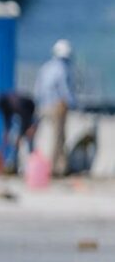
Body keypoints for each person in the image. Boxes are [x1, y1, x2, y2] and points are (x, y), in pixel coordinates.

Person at [33, 39, 77, 177]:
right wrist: (73, 103)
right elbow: (65, 89)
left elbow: (37, 88)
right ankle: (54, 168)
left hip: (43, 106)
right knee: (58, 138)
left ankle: (59, 166)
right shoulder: (63, 68)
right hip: (57, 106)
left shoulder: (46, 67)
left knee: (47, 137)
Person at [0, 90, 36, 174]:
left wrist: (25, 131)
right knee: (15, 143)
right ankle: (14, 166)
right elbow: (7, 120)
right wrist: (6, 133)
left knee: (29, 142)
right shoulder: (5, 106)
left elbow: (25, 117)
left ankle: (32, 167)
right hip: (22, 117)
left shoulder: (15, 102)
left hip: (30, 113)